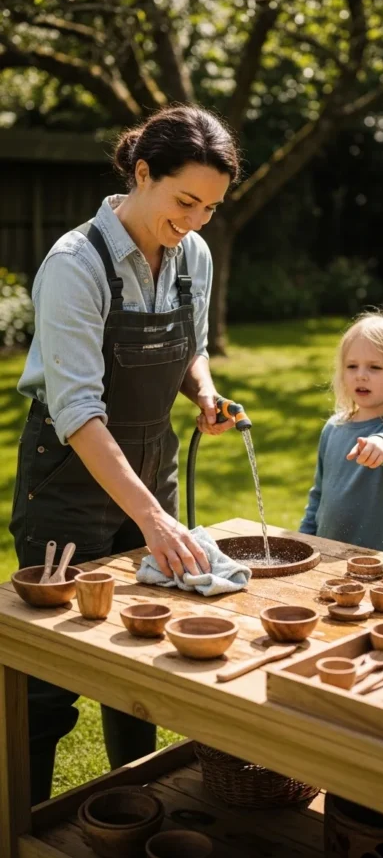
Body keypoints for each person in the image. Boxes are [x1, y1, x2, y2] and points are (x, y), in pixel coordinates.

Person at [10, 104, 240, 803]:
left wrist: (201, 391)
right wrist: (155, 521)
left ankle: (126, 813)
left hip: (150, 464)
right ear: (142, 174)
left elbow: (190, 349)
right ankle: (20, 842)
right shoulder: (75, 264)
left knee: (140, 654)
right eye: (185, 200)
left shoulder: (191, 253)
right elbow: (79, 411)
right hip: (66, 478)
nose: (197, 219)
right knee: (47, 680)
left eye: (210, 206)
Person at [299, 309, 383, 550]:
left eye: (375, 367)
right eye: (352, 366)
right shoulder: (333, 428)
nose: (361, 376)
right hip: (325, 553)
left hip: (378, 560)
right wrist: (304, 539)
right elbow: (318, 495)